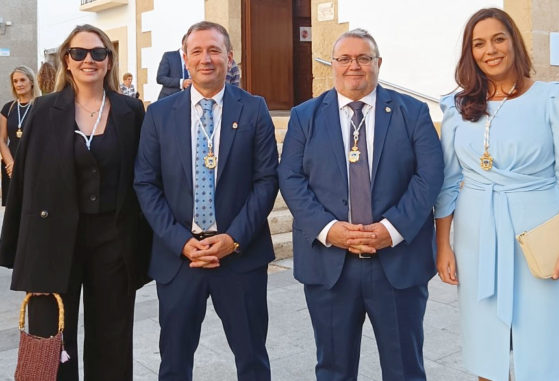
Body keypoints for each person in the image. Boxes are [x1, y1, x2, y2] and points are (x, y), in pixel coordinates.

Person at [434, 8, 559, 381]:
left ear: (514, 43)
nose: (490, 50)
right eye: (479, 43)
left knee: (538, 344)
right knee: (484, 342)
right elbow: (447, 182)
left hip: (538, 234)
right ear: (470, 53)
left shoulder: (553, 98)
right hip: (476, 236)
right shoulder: (457, 107)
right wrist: (443, 245)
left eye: (498, 39)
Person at [278, 28, 444, 381]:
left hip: (397, 264)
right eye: (344, 58)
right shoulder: (305, 116)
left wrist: (391, 229)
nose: (354, 66)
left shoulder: (411, 113)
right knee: (333, 369)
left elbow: (429, 176)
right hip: (330, 265)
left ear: (378, 63)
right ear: (332, 65)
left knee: (405, 369)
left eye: (363, 58)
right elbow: (290, 177)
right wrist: (328, 230)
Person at [0, 24, 152, 381]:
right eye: (79, 53)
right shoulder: (43, 109)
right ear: (66, 61)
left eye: (98, 53)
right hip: (53, 239)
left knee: (112, 338)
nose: (89, 60)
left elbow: (142, 180)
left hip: (113, 241)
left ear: (109, 60)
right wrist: (21, 253)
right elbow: (25, 182)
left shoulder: (131, 111)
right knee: (53, 342)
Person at [134, 21, 278, 380]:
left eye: (214, 50)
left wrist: (234, 239)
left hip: (239, 256)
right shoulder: (159, 114)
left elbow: (266, 180)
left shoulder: (254, 109)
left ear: (230, 58)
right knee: (174, 363)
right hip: (180, 260)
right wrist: (180, 242)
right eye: (196, 51)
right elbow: (146, 184)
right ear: (185, 59)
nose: (206, 58)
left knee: (252, 360)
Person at [0, 66, 40, 206]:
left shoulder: (40, 106)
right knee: (12, 209)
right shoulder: (8, 108)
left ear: (31, 81)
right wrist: (11, 164)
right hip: (10, 166)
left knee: (32, 207)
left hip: (34, 165)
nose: (19, 84)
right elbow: (2, 140)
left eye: (22, 80)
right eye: (15, 81)